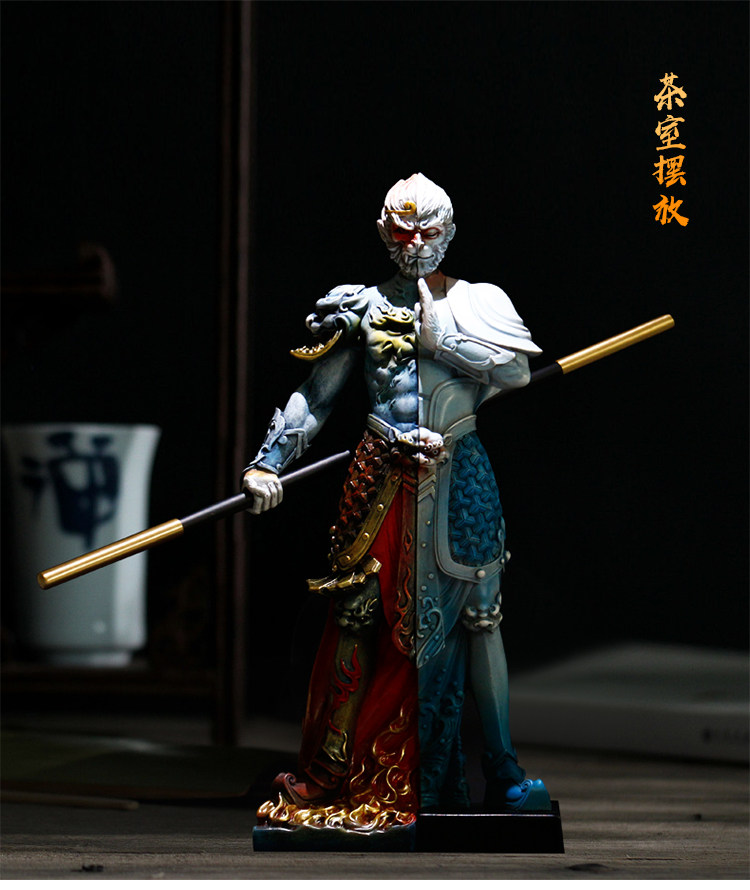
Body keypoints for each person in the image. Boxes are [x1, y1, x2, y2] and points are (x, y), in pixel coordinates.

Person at [244, 173, 551, 831]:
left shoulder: (479, 302)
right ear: (384, 233)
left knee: (482, 619)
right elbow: (316, 396)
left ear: (449, 233)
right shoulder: (359, 307)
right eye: (402, 231)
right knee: (357, 614)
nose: (415, 243)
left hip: (459, 471)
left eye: (427, 230)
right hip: (380, 473)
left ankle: (504, 771)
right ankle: (332, 771)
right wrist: (268, 462)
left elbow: (516, 372)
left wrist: (442, 339)